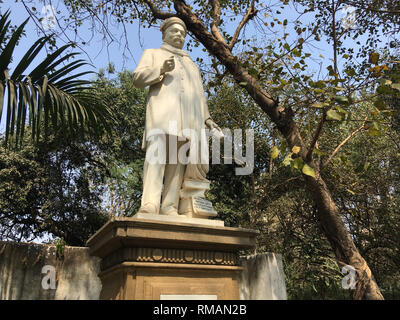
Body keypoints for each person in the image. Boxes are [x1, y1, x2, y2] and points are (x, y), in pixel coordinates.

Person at [132, 17, 220, 216]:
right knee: (155, 159)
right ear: (164, 34)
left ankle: (169, 205)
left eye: (182, 33)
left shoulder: (190, 63)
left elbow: (199, 95)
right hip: (162, 116)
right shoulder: (152, 54)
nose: (179, 35)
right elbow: (137, 79)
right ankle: (150, 204)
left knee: (178, 164)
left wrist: (207, 119)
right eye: (175, 31)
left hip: (187, 120)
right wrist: (161, 69)